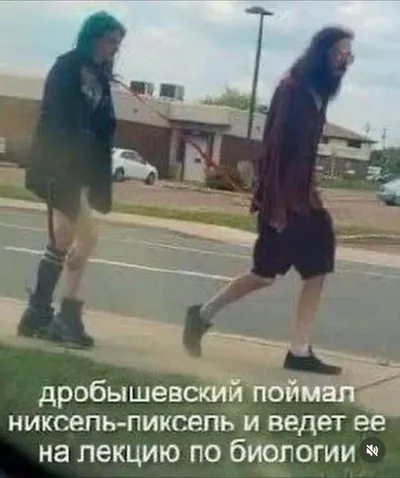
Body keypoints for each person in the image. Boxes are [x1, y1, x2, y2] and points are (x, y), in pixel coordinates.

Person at [183, 26, 355, 375]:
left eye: (350, 54)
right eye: (341, 52)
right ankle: (202, 315)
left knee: (319, 264)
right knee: (264, 275)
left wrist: (311, 190)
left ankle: (299, 351)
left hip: (305, 200)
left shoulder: (319, 93)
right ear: (322, 53)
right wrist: (274, 206)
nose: (346, 60)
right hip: (282, 200)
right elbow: (274, 151)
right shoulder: (292, 90)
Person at [17, 11, 126, 348]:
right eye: (111, 41)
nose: (115, 48)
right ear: (93, 37)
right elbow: (54, 119)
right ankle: (64, 315)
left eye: (118, 43)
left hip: (78, 171)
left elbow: (100, 128)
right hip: (57, 167)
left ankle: (38, 313)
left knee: (68, 238)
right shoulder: (67, 67)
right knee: (83, 235)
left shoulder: (100, 77)